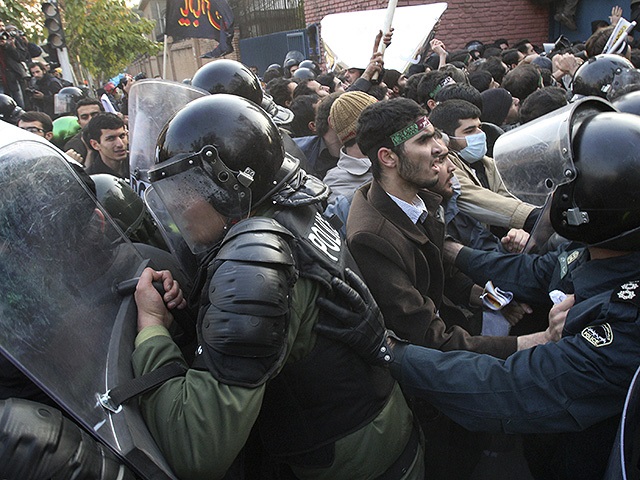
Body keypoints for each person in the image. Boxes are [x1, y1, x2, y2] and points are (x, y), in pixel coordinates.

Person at [319, 107, 640, 480]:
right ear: (388, 158)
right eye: (424, 139)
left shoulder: (625, 317)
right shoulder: (382, 228)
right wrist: (480, 289)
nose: (442, 148)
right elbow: (535, 272)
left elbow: (510, 387)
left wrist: (387, 350)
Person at [132, 93, 425, 479]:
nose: (178, 206)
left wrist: (151, 329)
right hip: (382, 436)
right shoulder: (290, 208)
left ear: (229, 185)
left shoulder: (254, 261)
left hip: (349, 463)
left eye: (186, 189)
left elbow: (196, 446)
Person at [429, 99, 540, 231]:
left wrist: (519, 229)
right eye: (470, 131)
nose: (480, 134)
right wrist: (533, 217)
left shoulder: (487, 163)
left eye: (479, 128)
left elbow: (508, 196)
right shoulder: (446, 168)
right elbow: (477, 199)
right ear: (447, 139)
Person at [83, 112, 129, 178]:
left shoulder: (140, 165)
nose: (120, 144)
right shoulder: (91, 179)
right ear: (95, 144)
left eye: (122, 136)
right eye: (111, 139)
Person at [63, 97, 104, 163]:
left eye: (95, 115)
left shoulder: (116, 134)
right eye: (85, 117)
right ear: (79, 122)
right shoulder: (73, 145)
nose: (90, 119)